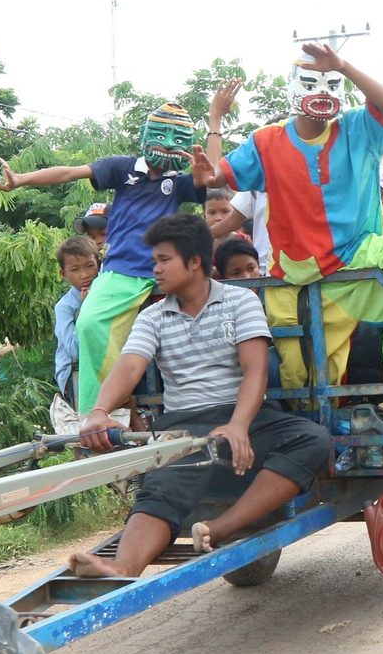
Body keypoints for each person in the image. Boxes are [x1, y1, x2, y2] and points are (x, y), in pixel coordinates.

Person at [68, 213, 330, 576]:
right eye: (154, 260)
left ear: (194, 262)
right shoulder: (153, 316)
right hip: (184, 423)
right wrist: (99, 410)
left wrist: (239, 425)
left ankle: (222, 527)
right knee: (159, 488)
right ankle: (123, 567)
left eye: (163, 260)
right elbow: (129, 366)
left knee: (313, 440)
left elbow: (255, 370)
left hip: (244, 415)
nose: (154, 269)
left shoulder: (240, 302)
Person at [190, 42, 383, 391]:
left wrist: (343, 65)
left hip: (359, 251)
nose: (323, 92)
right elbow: (212, 177)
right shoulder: (266, 142)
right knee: (298, 377)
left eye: (332, 83)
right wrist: (215, 121)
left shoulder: (359, 129)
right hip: (295, 269)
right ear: (293, 85)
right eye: (311, 83)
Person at [0, 93, 229, 413]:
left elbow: (211, 174)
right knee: (89, 325)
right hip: (121, 271)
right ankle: (99, 411)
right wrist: (22, 179)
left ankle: (185, 406)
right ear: (146, 136)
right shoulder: (121, 168)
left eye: (177, 139)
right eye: (161, 136)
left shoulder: (177, 183)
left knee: (190, 334)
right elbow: (68, 173)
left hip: (166, 272)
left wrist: (214, 121)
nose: (168, 145)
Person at [52, 235, 100, 406]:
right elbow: (74, 350)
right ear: (63, 274)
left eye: (90, 266)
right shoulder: (64, 307)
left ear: (98, 265)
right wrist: (86, 310)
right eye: (75, 270)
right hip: (73, 374)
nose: (85, 275)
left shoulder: (106, 294)